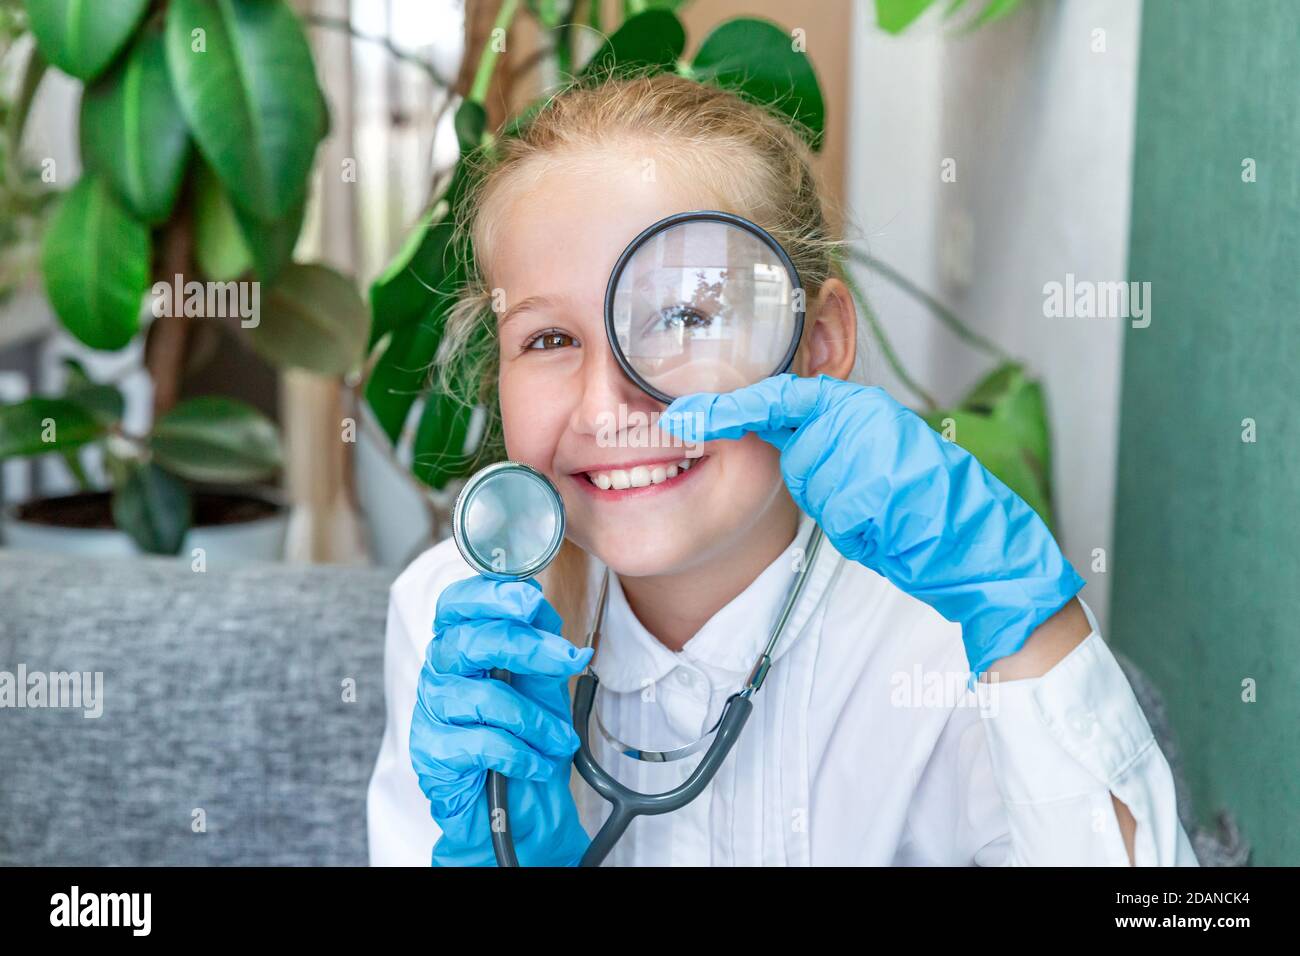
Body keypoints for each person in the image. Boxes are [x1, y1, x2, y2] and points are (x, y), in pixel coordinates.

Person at [366, 72, 1197, 866]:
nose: (605, 406)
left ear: (818, 343)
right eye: (549, 339)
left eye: (683, 317)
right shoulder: (462, 627)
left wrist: (1032, 624)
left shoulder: (945, 640)